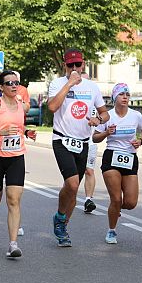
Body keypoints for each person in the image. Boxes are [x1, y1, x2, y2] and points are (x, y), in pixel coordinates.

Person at [48, 48, 109, 247]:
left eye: (78, 65)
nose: (74, 68)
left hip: (83, 142)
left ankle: (63, 226)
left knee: (73, 191)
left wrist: (97, 119)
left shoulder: (92, 87)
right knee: (73, 183)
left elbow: (105, 114)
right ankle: (59, 216)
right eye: (70, 65)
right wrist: (69, 84)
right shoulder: (57, 83)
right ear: (64, 66)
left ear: (83, 64)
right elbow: (52, 107)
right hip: (62, 140)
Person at [0, 71, 37, 258]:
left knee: (13, 199)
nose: (13, 85)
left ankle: (13, 244)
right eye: (9, 83)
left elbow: (17, 128)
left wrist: (26, 132)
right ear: (1, 87)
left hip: (16, 157)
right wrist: (1, 132)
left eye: (16, 82)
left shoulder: (20, 105)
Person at [93, 83, 142, 244]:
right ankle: (112, 231)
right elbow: (94, 137)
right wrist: (106, 132)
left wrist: (141, 140)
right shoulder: (107, 116)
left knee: (130, 203)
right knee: (116, 198)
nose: (125, 97)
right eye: (121, 94)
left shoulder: (136, 115)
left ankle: (115, 209)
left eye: (127, 95)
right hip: (111, 157)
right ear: (114, 97)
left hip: (130, 157)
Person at [80, 71, 98, 213]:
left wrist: (99, 120)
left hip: (90, 141)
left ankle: (88, 199)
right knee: (74, 173)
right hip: (74, 140)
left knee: (89, 170)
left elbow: (103, 115)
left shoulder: (95, 98)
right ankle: (69, 194)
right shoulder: (72, 97)